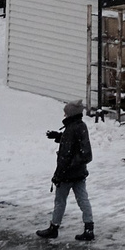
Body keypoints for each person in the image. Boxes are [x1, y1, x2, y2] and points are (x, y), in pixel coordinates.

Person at [38, 102, 95, 242]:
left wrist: (58, 175)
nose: (64, 115)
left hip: (68, 174)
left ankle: (54, 228)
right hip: (79, 173)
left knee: (60, 201)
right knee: (83, 200)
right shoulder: (80, 126)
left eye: (66, 113)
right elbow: (77, 145)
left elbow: (66, 155)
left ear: (71, 114)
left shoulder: (71, 129)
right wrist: (59, 136)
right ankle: (89, 228)